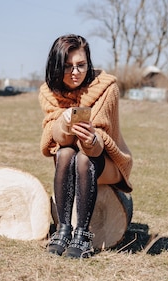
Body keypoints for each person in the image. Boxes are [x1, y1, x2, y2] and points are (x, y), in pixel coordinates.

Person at [38, 34, 133, 259]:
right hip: (70, 160)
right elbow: (52, 135)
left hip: (107, 161)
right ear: (56, 66)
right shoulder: (48, 92)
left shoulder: (106, 88)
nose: (75, 72)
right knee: (65, 153)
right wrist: (63, 123)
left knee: (82, 158)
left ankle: (82, 235)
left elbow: (99, 141)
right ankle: (63, 230)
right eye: (68, 66)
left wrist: (90, 140)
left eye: (81, 65)